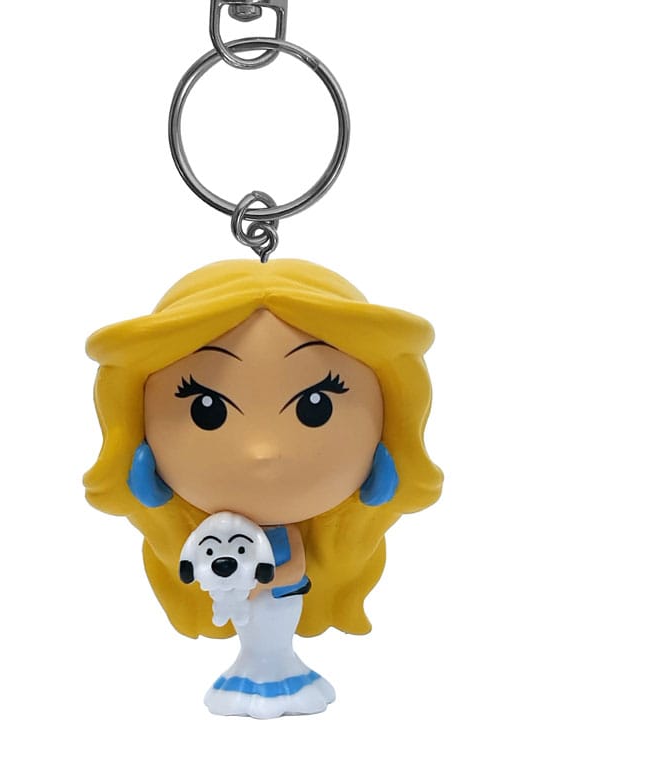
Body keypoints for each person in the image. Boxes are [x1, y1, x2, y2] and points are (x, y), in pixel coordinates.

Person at [83, 258, 443, 716]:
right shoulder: (212, 535)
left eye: (316, 406)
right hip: (250, 606)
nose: (263, 450)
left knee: (271, 633)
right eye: (207, 408)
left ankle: (275, 669)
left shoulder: (278, 538)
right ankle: (260, 668)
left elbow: (291, 568)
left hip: (274, 604)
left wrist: (251, 580)